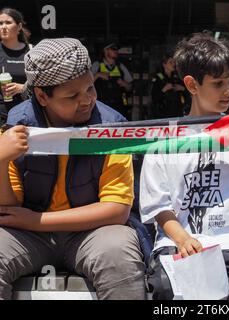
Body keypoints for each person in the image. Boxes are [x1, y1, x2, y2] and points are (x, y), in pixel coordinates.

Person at [0, 38, 146, 300]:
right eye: (73, 95)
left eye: (90, 88)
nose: (88, 100)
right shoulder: (15, 127)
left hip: (94, 232)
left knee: (118, 253)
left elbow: (116, 210)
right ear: (42, 96)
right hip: (27, 236)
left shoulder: (111, 128)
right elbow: (9, 209)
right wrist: (0, 160)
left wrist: (35, 220)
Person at [140, 33, 229, 300]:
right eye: (218, 83)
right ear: (191, 85)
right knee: (167, 290)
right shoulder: (165, 138)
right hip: (179, 241)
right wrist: (183, 239)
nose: (228, 91)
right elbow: (159, 208)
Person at [0, 8, 30, 124]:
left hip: (26, 114)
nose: (3, 27)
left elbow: (43, 84)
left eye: (8, 23)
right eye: (0, 23)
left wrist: (22, 88)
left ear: (19, 27)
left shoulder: (31, 51)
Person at [91, 41, 133, 119]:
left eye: (117, 49)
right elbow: (86, 84)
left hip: (118, 105)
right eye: (113, 49)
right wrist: (98, 75)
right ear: (105, 50)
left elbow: (130, 87)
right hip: (102, 106)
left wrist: (125, 84)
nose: (116, 51)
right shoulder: (97, 65)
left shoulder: (120, 66)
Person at [150, 51, 188, 119]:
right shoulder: (158, 78)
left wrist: (182, 89)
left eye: (174, 62)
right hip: (163, 114)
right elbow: (153, 97)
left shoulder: (177, 77)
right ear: (164, 65)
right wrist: (164, 89)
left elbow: (188, 94)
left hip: (177, 113)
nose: (173, 64)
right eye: (170, 62)